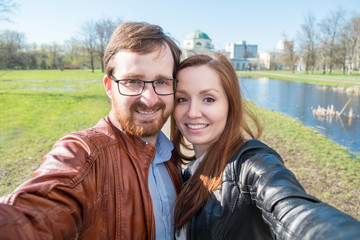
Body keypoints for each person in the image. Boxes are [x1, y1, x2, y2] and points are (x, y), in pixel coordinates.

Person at [0, 22, 182, 239]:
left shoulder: (172, 156)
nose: (150, 98)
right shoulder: (85, 154)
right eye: (133, 81)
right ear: (108, 86)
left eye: (161, 81)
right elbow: (33, 216)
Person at [171, 53, 360, 240]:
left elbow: (291, 209)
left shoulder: (249, 163)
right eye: (182, 99)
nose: (193, 112)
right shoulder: (189, 172)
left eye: (209, 99)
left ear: (231, 105)